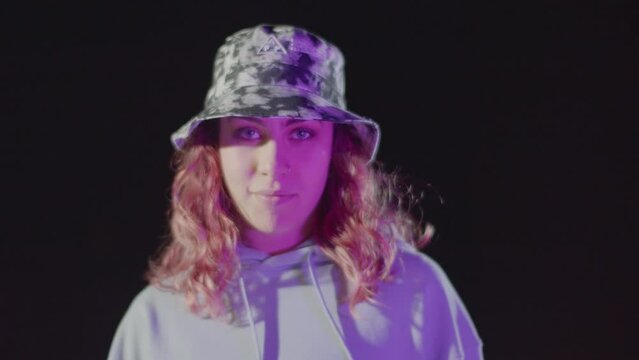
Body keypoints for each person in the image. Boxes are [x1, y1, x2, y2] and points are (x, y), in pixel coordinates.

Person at [107, 24, 483, 360]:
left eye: (301, 132)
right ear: (213, 151)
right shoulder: (159, 318)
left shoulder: (414, 293)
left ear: (337, 151)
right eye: (248, 132)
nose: (274, 162)